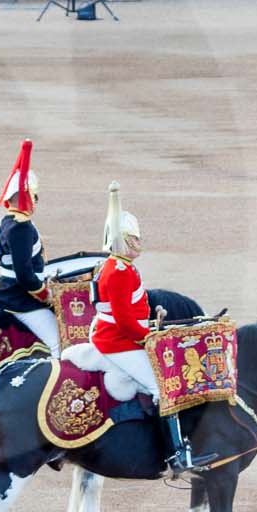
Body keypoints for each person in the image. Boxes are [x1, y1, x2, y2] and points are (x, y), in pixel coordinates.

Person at [84, 182, 196, 474]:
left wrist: (150, 324)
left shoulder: (121, 266)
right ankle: (175, 453)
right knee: (162, 386)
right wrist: (149, 337)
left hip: (117, 334)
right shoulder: (118, 271)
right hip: (115, 340)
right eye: (133, 238)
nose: (138, 242)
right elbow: (123, 321)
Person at [0, 139, 58, 353]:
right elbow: (25, 275)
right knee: (59, 344)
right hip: (18, 298)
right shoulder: (22, 227)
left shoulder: (7, 221)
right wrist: (46, 295)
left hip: (4, 288)